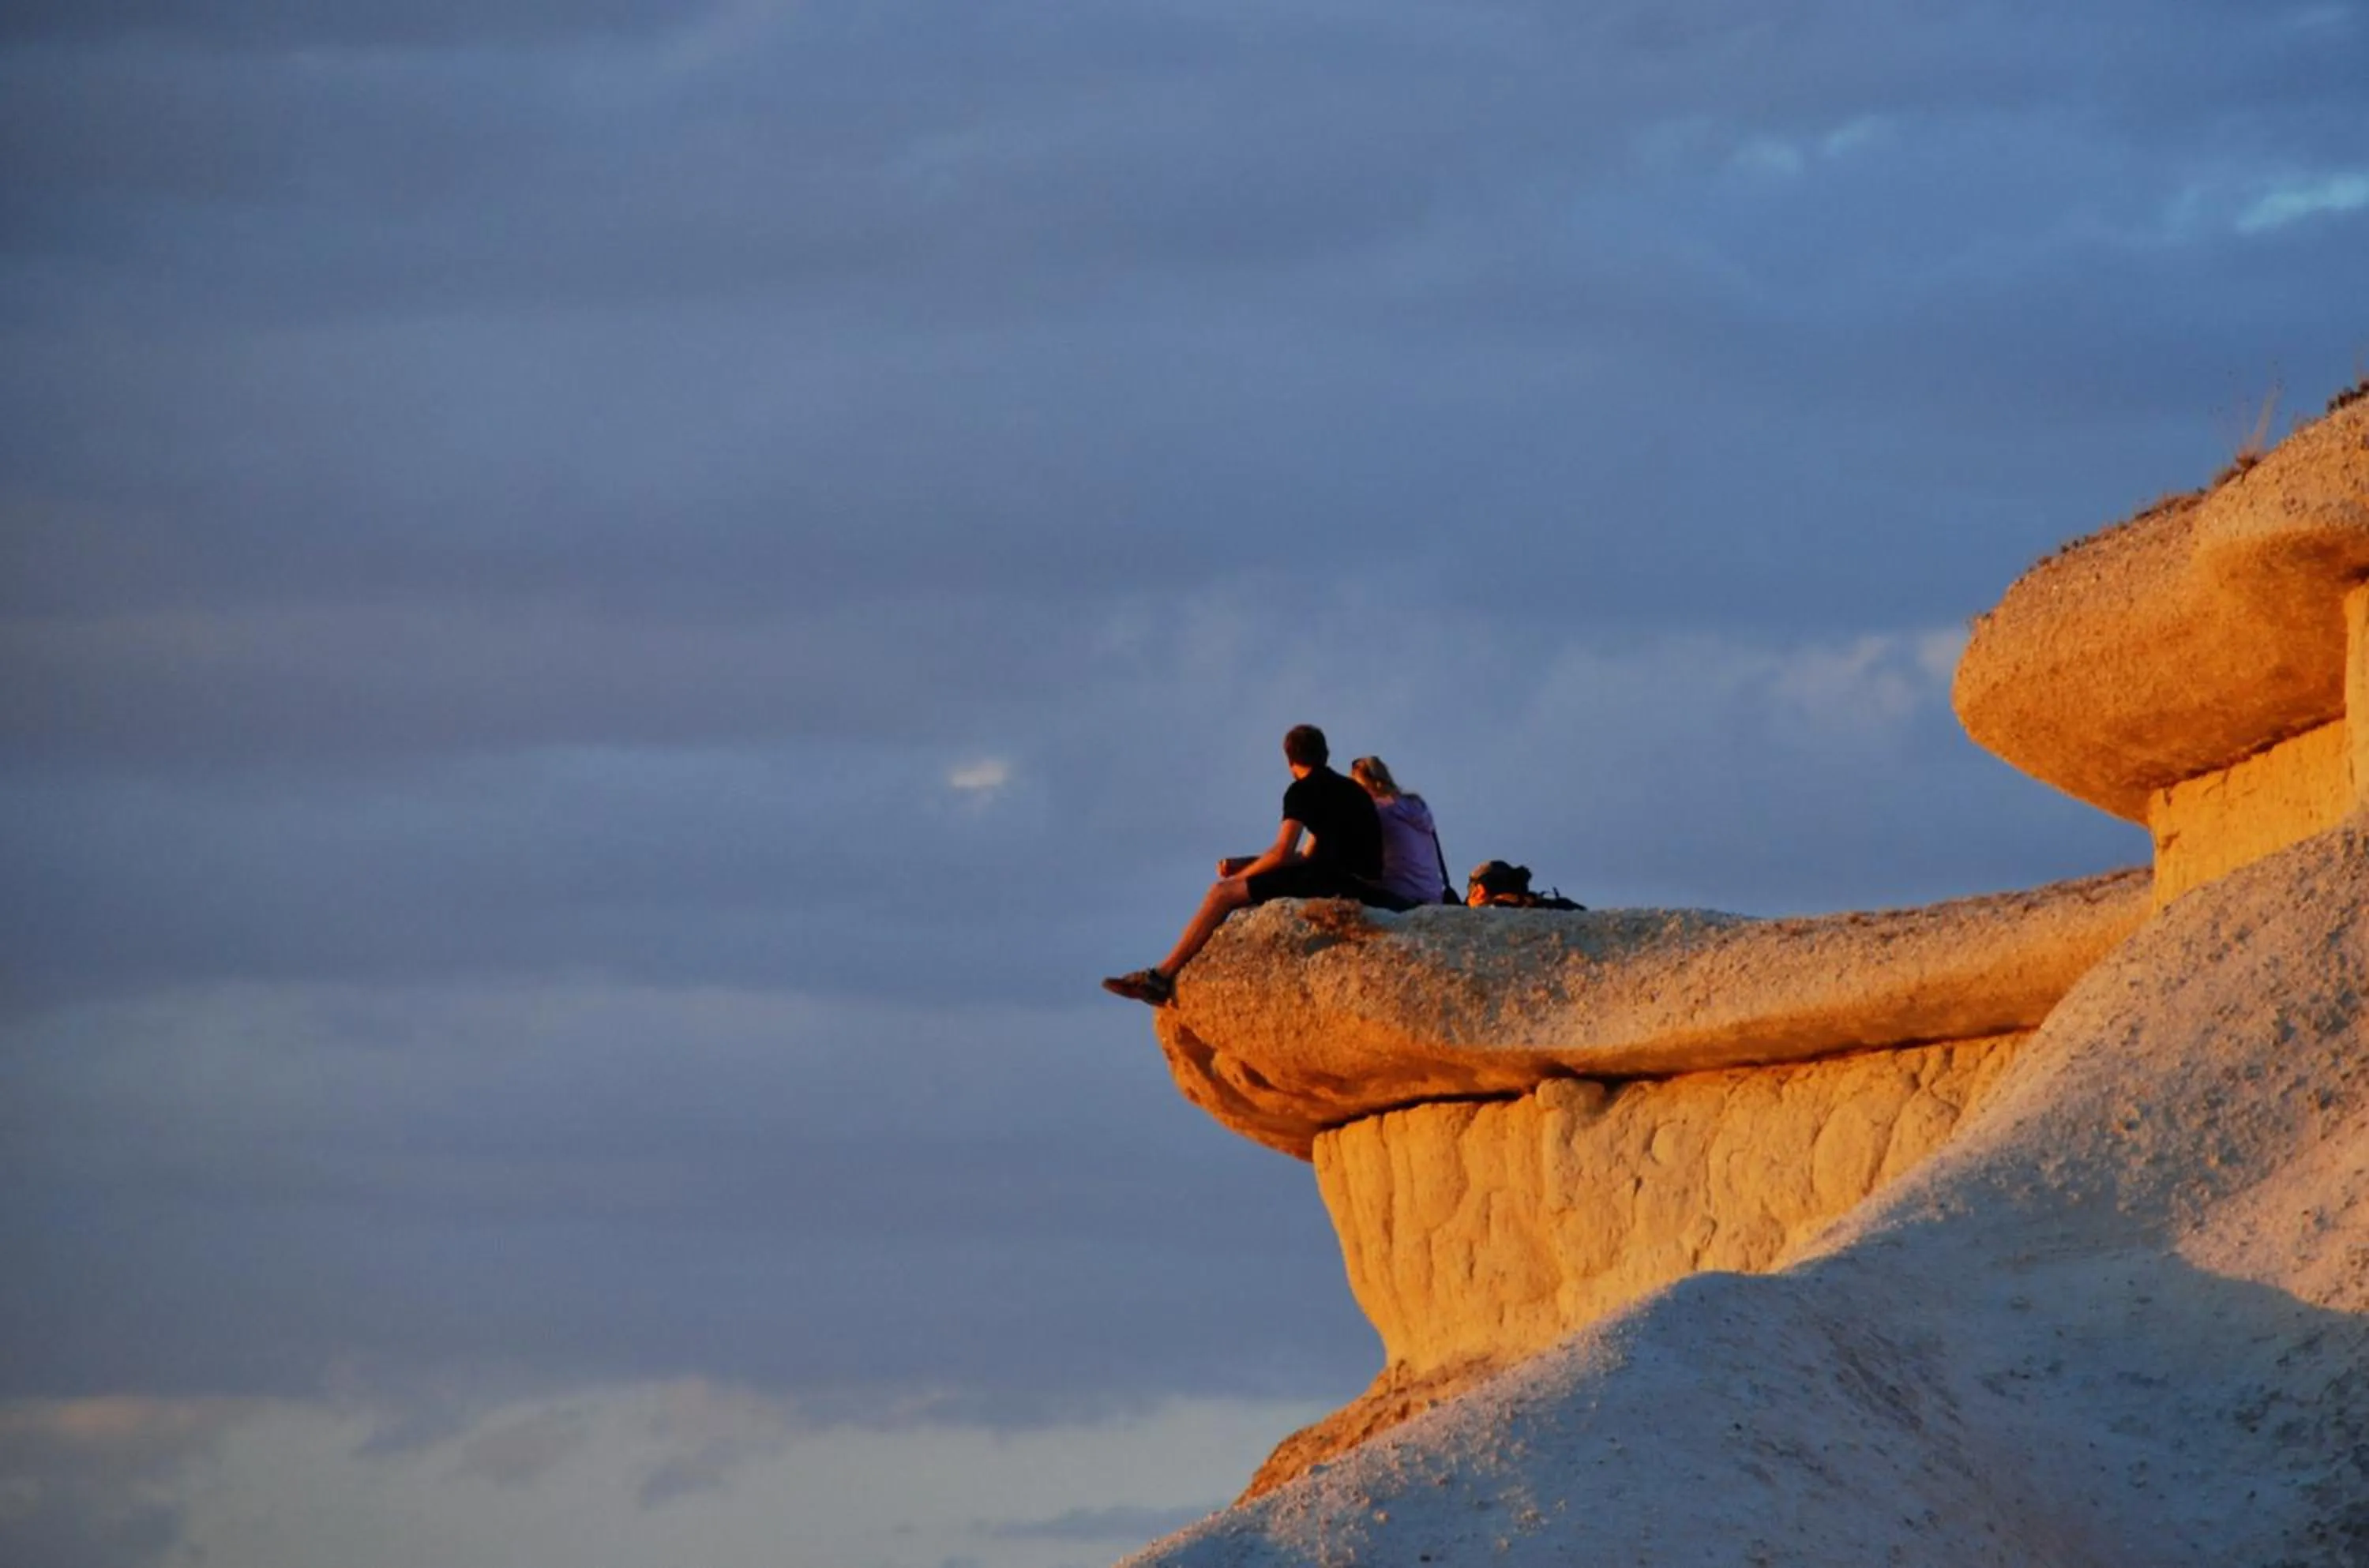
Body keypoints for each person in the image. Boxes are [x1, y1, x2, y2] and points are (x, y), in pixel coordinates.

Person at [1102, 724, 1386, 1006]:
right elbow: (1307, 855)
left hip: (1332, 882)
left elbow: (1282, 853)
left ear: (1289, 761)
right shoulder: (1351, 790)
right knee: (1248, 894)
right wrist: (1246, 864)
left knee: (1221, 895)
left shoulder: (1302, 791)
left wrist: (1237, 882)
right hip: (1362, 882)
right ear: (1326, 754)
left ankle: (1160, 978)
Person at [1349, 756, 1454, 906]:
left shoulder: (1378, 811)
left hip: (1397, 894)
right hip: (1432, 896)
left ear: (1372, 785)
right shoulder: (1416, 806)